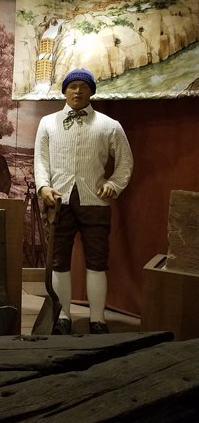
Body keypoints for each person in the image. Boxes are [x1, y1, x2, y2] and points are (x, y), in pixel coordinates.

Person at [34, 68, 133, 335]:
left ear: (92, 91)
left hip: (95, 202)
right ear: (64, 90)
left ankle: (97, 319)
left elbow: (125, 161)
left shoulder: (109, 125)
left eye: (83, 86)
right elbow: (40, 160)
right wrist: (43, 186)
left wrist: (114, 184)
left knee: (97, 261)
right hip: (59, 201)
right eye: (72, 86)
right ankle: (62, 315)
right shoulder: (48, 123)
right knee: (59, 261)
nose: (77, 91)